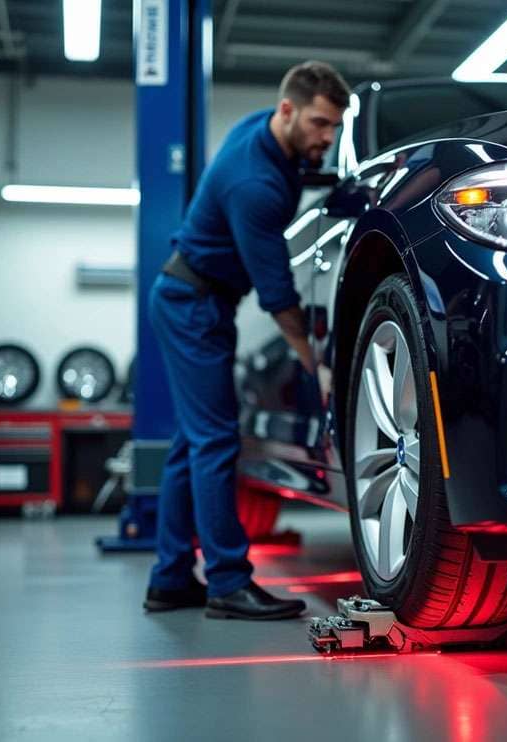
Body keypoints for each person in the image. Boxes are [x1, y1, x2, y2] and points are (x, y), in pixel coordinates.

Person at [143, 61, 349, 620]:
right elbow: (279, 298)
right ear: (287, 111)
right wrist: (317, 366)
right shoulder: (254, 184)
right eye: (319, 124)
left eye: (334, 127)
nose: (327, 139)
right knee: (215, 443)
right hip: (194, 304)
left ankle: (168, 580)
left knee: (192, 444)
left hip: (195, 298)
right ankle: (229, 584)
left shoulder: (265, 130)